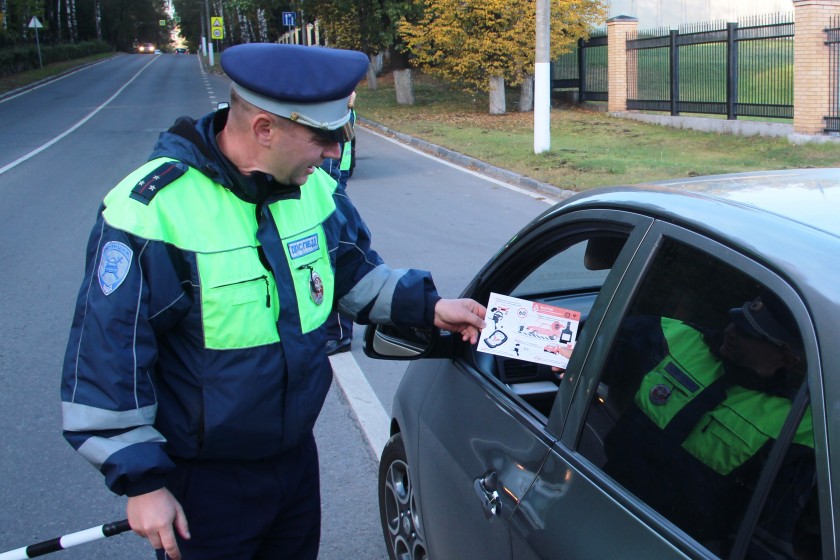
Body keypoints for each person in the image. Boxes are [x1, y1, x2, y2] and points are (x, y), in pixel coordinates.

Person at [60, 43, 485, 560]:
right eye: (324, 137)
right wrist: (143, 484)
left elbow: (352, 274)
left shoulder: (314, 191)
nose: (335, 152)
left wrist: (431, 308)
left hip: (294, 464)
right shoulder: (152, 214)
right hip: (205, 485)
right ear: (264, 129)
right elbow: (108, 360)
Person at [601, 293, 814, 556]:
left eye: (751, 333)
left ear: (787, 358)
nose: (731, 331)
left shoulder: (796, 426)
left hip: (674, 545)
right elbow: (579, 341)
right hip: (600, 491)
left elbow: (768, 535)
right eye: (737, 320)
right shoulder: (674, 339)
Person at [319, 91, 357, 355]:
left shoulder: (337, 114)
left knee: (332, 257)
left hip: (329, 180)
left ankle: (340, 333)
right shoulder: (337, 110)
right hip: (329, 177)